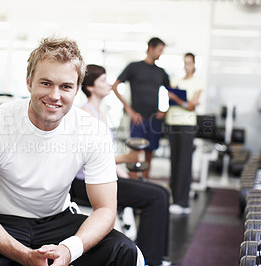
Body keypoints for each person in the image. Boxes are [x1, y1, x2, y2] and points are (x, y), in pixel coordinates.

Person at [0, 37, 142, 266]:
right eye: (46, 83)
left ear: (76, 90)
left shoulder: (93, 130)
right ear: (29, 82)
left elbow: (105, 208)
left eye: (65, 86)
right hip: (1, 220)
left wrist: (69, 250)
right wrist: (23, 255)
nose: (55, 95)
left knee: (123, 249)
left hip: (59, 220)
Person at [70, 64, 171, 266]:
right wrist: (126, 158)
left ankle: (157, 257)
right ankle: (149, 260)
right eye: (103, 81)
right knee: (155, 197)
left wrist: (123, 173)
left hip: (103, 179)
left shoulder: (100, 113)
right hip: (86, 185)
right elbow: (90, 158)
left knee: (163, 192)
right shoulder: (85, 114)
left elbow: (105, 156)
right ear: (90, 87)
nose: (109, 85)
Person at [112, 37, 170, 179]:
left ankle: (144, 181)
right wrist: (129, 110)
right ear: (150, 48)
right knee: (135, 152)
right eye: (159, 50)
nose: (160, 54)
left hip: (154, 119)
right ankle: (133, 182)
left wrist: (165, 110)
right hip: (137, 118)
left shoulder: (160, 72)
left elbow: (172, 93)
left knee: (149, 152)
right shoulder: (134, 67)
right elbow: (114, 86)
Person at [165, 52, 203, 215]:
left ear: (193, 65)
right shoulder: (175, 81)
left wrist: (178, 99)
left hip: (187, 125)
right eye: (184, 63)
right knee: (174, 161)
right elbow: (170, 100)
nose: (186, 66)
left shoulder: (198, 82)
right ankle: (174, 199)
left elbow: (191, 106)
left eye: (189, 63)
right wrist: (177, 100)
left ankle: (183, 202)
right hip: (172, 122)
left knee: (184, 162)